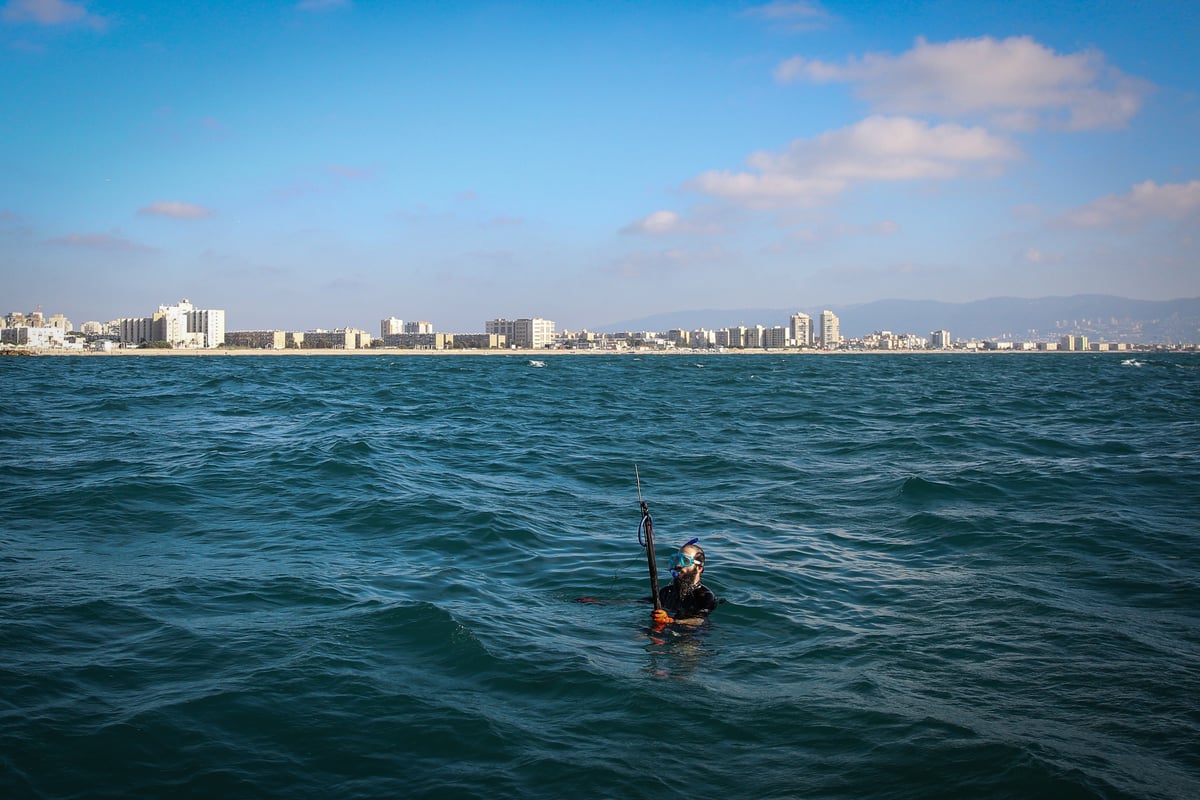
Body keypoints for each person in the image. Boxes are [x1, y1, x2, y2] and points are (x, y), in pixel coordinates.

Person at [651, 538, 717, 628]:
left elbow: (700, 620)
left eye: (685, 561)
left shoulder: (705, 596)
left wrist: (669, 620)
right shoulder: (666, 592)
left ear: (699, 568)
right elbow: (645, 601)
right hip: (667, 629)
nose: (678, 565)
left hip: (692, 634)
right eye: (677, 560)